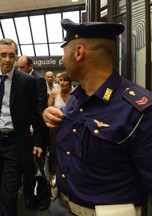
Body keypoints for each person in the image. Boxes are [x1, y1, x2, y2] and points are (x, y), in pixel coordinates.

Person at [43, 19, 152, 216]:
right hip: (60, 206)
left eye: (64, 51)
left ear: (78, 53)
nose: (61, 59)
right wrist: (48, 113)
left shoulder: (138, 110)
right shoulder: (76, 97)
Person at [0, 38, 46, 216]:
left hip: (15, 144)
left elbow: (36, 114)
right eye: (3, 55)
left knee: (9, 194)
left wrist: (38, 142)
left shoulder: (27, 81)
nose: (8, 59)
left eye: (12, 55)